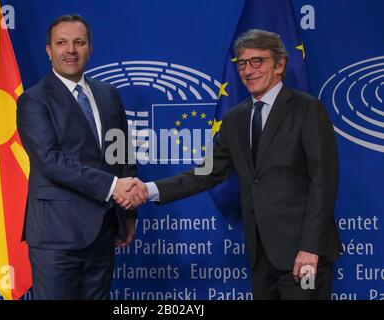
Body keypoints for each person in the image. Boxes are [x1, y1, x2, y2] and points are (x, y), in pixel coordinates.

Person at [116, 29, 342, 300]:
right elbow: (205, 173)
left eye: (257, 61)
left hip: (303, 256)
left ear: (280, 64)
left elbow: (323, 181)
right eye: (242, 64)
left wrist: (310, 248)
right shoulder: (235, 119)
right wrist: (148, 189)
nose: (248, 70)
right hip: (261, 257)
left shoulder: (307, 109)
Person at [17, 14, 143, 300]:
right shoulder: (33, 100)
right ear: (49, 50)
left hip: (104, 229)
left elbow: (122, 152)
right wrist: (113, 187)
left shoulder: (109, 94)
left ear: (90, 48)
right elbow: (49, 160)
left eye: (79, 42)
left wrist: (128, 213)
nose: (70, 50)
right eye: (61, 43)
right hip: (56, 236)